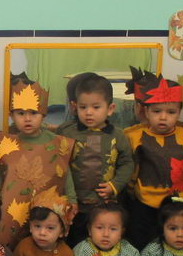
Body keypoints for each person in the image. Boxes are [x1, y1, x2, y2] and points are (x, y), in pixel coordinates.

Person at [0, 74, 76, 247]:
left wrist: (72, 200)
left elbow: (66, 173)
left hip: (46, 212)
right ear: (11, 115)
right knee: (9, 247)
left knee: (42, 247)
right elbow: (0, 174)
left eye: (33, 113)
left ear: (43, 114)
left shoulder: (59, 144)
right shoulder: (6, 143)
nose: (27, 118)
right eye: (21, 113)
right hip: (12, 209)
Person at [123, 74, 183, 249]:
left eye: (171, 112)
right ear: (147, 112)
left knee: (172, 247)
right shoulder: (133, 136)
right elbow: (130, 170)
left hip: (178, 205)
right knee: (141, 245)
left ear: (179, 112)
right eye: (157, 111)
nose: (163, 117)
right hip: (144, 204)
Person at [57, 73, 134, 245]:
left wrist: (115, 186)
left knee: (100, 242)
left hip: (104, 205)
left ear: (110, 108)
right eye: (83, 107)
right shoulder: (66, 132)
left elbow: (127, 163)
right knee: (73, 241)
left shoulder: (118, 136)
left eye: (96, 107)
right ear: (74, 106)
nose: (89, 112)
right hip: (74, 203)